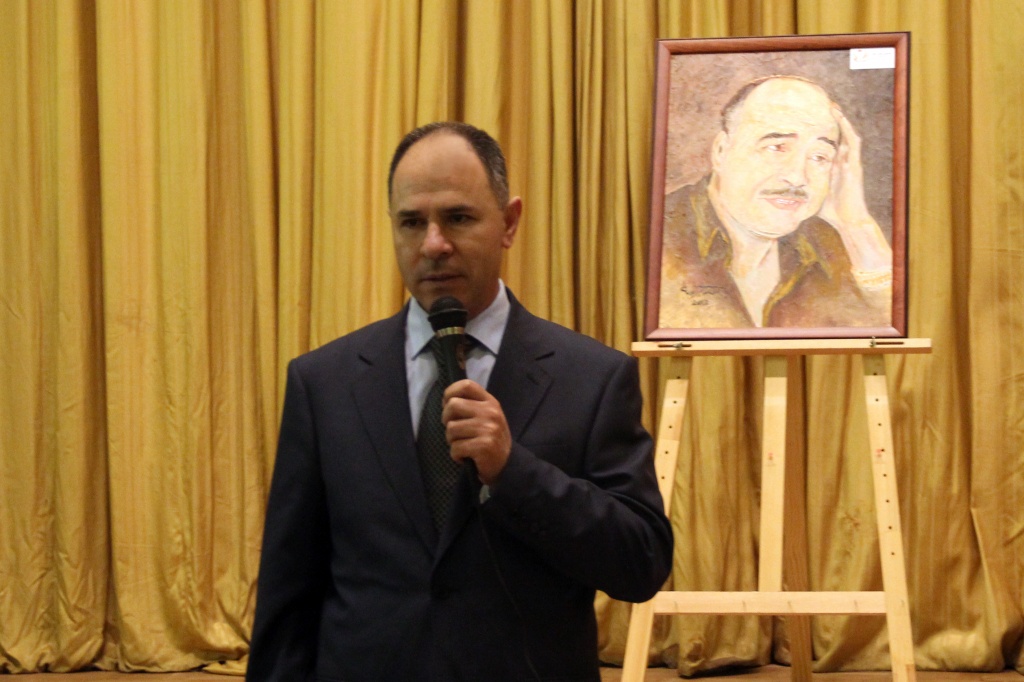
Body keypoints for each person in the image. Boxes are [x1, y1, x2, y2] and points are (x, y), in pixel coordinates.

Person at [247, 121, 673, 682]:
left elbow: (640, 562)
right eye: (411, 222)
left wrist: (514, 471)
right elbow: (288, 593)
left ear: (509, 223)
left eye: (458, 218)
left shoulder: (591, 378)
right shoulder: (323, 383)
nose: (433, 244)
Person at [659, 75, 893, 330]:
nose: (797, 177)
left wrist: (857, 226)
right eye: (777, 147)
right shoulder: (658, 235)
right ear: (721, 151)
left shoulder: (836, 249)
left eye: (819, 157)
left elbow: (890, 332)